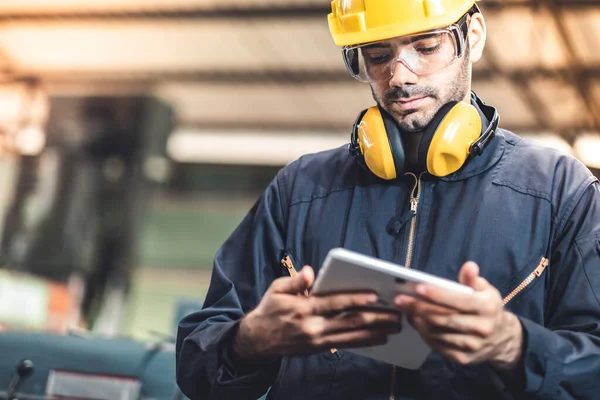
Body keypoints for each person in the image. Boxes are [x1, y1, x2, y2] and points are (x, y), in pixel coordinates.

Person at [176, 0, 600, 398]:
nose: (400, 76)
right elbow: (197, 366)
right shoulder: (298, 190)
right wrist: (249, 340)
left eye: (426, 46)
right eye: (378, 56)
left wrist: (516, 346)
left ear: (473, 34)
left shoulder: (560, 192)